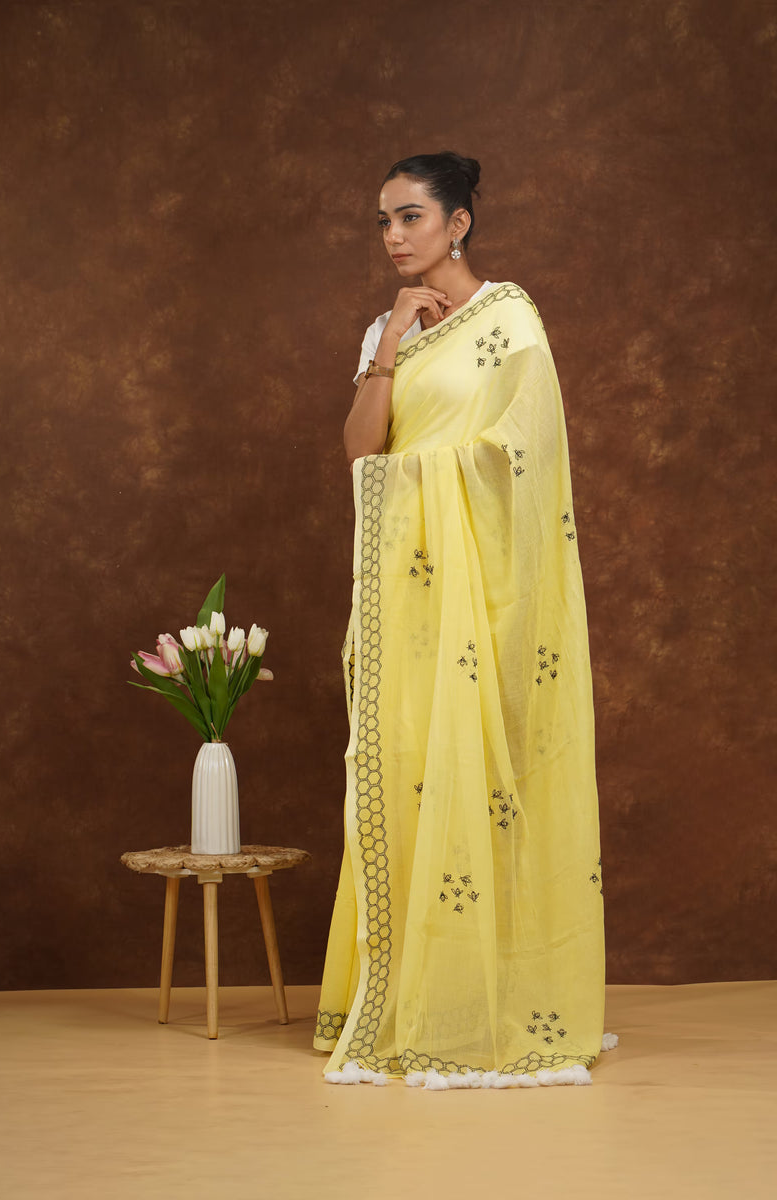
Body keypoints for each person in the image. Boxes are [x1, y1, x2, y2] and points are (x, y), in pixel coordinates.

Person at [313, 151, 618, 1089]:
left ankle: (492, 997)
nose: (395, 236)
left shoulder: (511, 317)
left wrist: (440, 479)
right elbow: (365, 454)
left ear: (459, 224)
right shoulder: (388, 326)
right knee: (405, 771)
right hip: (407, 593)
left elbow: (525, 451)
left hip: (481, 592)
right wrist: (392, 342)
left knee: (484, 777)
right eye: (384, 221)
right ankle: (411, 992)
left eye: (410, 217)